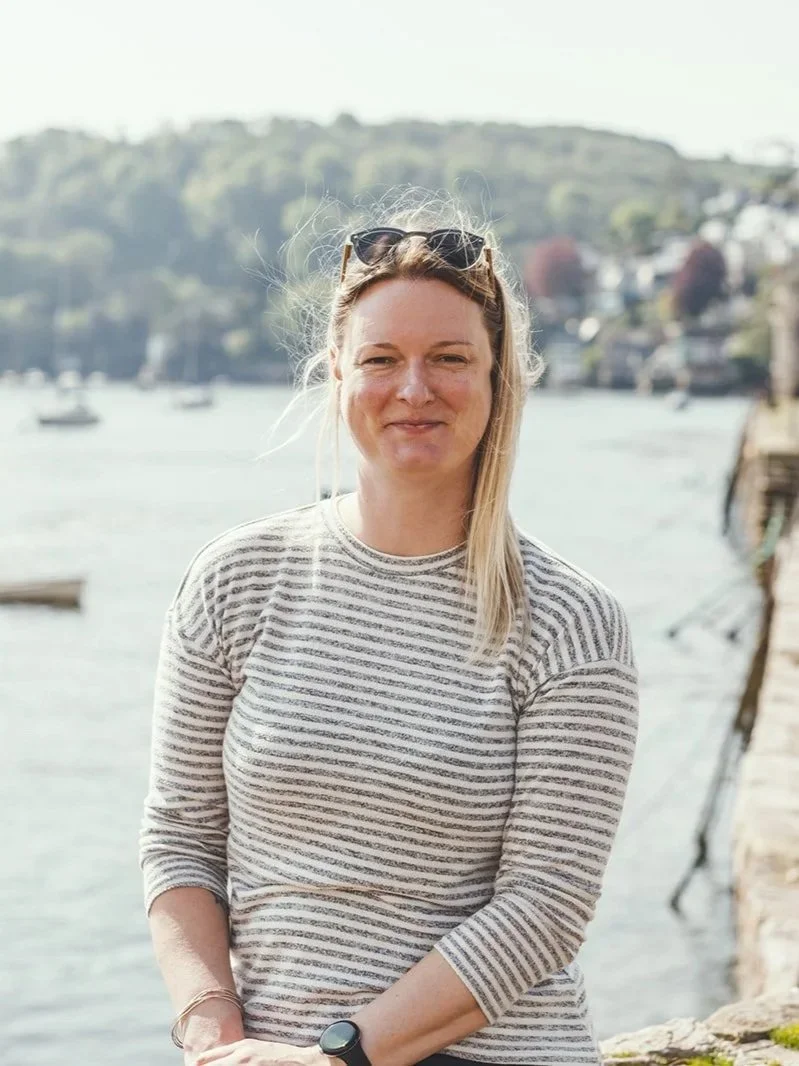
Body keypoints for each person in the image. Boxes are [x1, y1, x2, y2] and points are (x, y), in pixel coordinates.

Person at [139, 210, 639, 1066]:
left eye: (448, 359)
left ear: (498, 380)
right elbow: (181, 839)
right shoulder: (235, 581)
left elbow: (545, 905)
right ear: (336, 373)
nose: (414, 390)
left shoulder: (569, 622)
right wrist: (212, 1029)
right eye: (380, 360)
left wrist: (341, 1054)